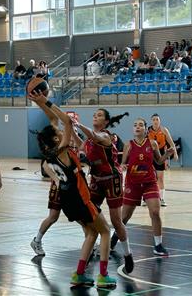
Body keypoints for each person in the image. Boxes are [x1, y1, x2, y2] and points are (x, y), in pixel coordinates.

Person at [28, 92, 116, 289]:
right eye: (56, 131)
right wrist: (48, 101)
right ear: (55, 138)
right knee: (105, 231)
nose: (59, 130)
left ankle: (78, 274)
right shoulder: (62, 148)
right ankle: (103, 276)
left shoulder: (50, 153)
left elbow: (58, 123)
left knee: (90, 234)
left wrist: (40, 103)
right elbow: (67, 121)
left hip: (67, 200)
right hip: (80, 197)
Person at [76, 109, 134, 273]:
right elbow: (81, 146)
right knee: (88, 216)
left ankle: (128, 254)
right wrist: (71, 128)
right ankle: (89, 248)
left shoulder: (105, 135)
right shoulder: (88, 138)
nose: (95, 116)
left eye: (100, 115)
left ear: (106, 122)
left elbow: (94, 137)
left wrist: (77, 124)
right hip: (96, 179)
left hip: (112, 179)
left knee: (116, 221)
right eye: (94, 114)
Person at [110, 118, 174, 256]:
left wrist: (167, 155)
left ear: (146, 129)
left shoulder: (153, 143)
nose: (137, 127)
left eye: (140, 125)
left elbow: (158, 161)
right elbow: (122, 164)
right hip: (132, 184)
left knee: (155, 212)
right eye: (135, 125)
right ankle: (113, 240)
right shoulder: (129, 145)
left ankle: (158, 245)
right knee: (124, 218)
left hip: (149, 183)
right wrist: (123, 166)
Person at [30, 109, 81, 256]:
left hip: (73, 184)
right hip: (61, 186)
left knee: (80, 215)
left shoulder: (73, 138)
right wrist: (56, 179)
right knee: (54, 217)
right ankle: (37, 240)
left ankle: (93, 241)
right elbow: (46, 165)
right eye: (71, 120)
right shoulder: (60, 142)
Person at [147, 114, 178, 207]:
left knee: (160, 178)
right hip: (150, 154)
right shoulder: (147, 131)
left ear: (159, 121)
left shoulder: (164, 130)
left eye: (157, 119)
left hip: (161, 155)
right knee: (148, 178)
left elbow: (171, 143)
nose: (155, 121)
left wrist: (175, 153)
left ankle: (162, 199)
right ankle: (145, 198)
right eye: (154, 119)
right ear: (151, 121)